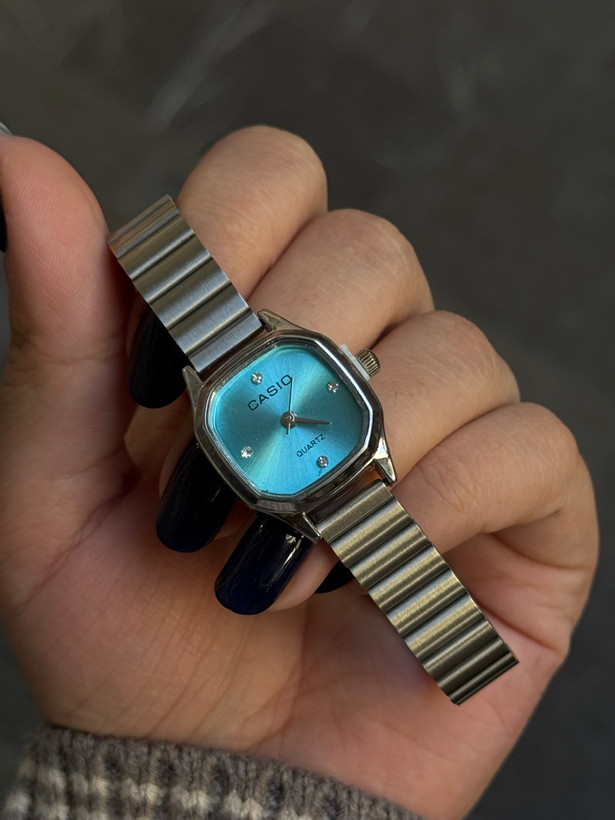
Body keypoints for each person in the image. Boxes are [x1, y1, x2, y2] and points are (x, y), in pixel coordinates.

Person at [0, 126, 598, 820]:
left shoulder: (338, 406)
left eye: (299, 410)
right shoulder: (245, 423)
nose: (288, 418)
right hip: (293, 475)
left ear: (354, 374)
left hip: (339, 471)